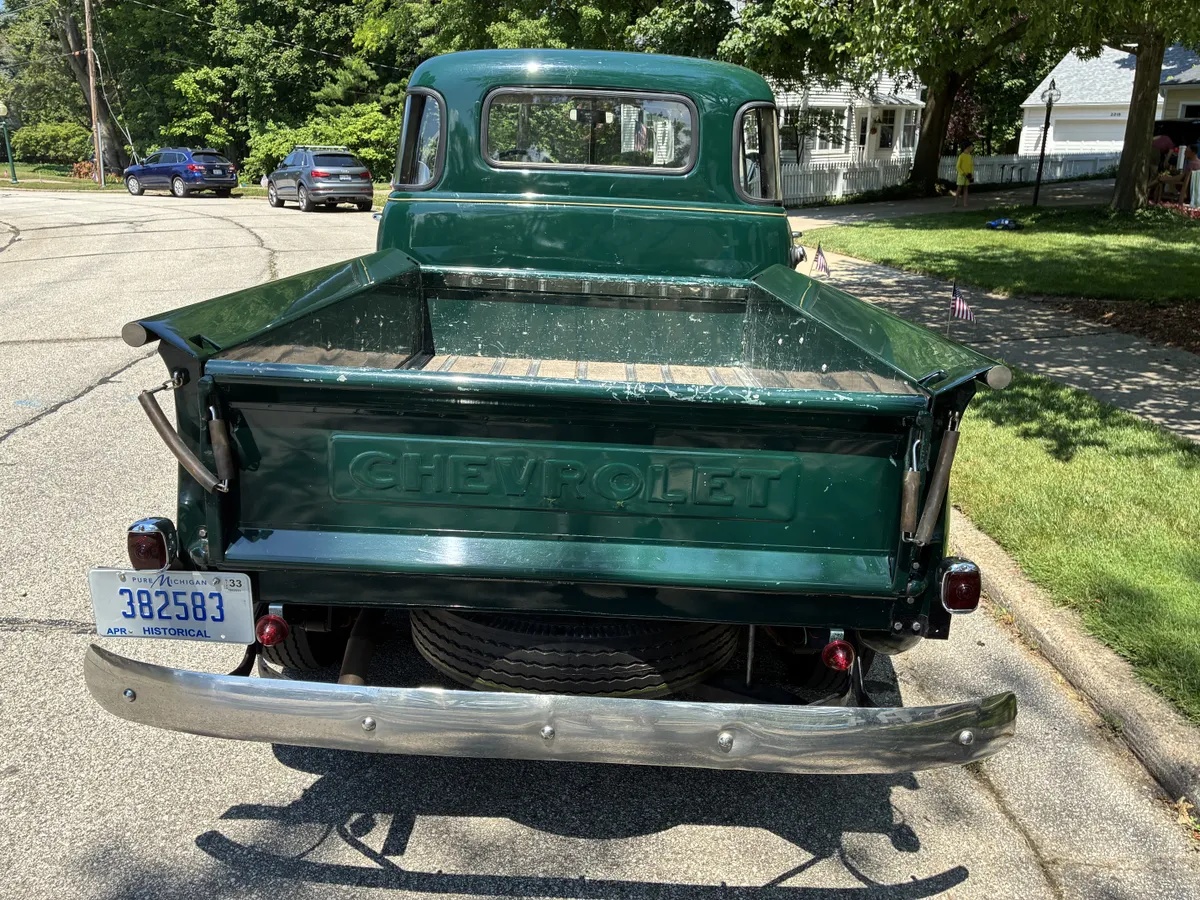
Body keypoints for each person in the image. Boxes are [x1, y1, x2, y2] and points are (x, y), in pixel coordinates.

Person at [954, 142, 974, 208]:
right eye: (971, 147)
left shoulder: (970, 156)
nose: (972, 148)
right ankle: (955, 202)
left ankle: (965, 203)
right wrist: (963, 173)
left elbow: (971, 166)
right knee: (959, 189)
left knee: (966, 189)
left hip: (968, 176)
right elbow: (957, 166)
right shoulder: (961, 156)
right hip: (961, 176)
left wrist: (971, 174)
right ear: (967, 147)